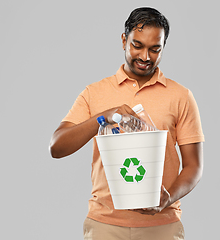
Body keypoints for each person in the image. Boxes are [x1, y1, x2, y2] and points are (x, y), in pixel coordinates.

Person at [49, 7, 204, 240]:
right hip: (105, 225)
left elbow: (194, 166)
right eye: (137, 45)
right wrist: (104, 117)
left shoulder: (180, 96)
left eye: (155, 49)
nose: (145, 57)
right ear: (124, 40)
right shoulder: (95, 93)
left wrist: (167, 198)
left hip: (162, 225)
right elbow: (57, 147)